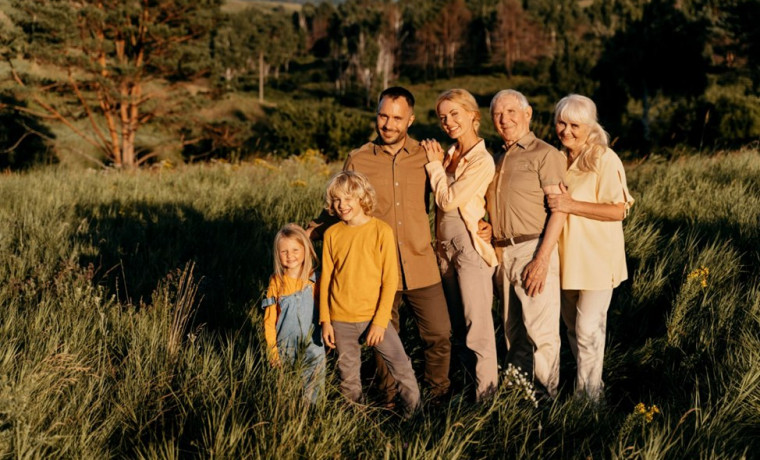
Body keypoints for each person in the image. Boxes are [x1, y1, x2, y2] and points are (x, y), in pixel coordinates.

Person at [307, 87, 451, 405]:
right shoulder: (359, 158)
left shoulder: (426, 155)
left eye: (397, 118)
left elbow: (449, 197)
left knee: (439, 333)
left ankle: (438, 396)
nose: (388, 124)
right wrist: (312, 231)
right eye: (383, 115)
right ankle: (388, 402)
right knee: (383, 339)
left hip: (420, 262)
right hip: (375, 270)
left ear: (410, 120)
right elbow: (340, 202)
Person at [547, 94, 634, 401]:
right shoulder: (555, 158)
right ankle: (589, 385)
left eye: (574, 125)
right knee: (572, 328)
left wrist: (571, 205)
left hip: (597, 259)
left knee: (587, 328)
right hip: (565, 258)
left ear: (590, 126)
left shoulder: (603, 158)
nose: (566, 131)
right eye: (561, 122)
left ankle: (590, 398)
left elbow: (619, 210)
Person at [484, 89, 567, 398]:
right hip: (502, 252)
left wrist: (542, 259)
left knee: (541, 332)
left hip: (533, 249)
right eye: (497, 114)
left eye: (510, 112)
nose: (504, 119)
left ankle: (547, 400)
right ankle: (520, 397)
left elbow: (559, 210)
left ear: (528, 114)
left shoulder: (545, 154)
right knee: (513, 332)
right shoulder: (497, 158)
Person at [319, 171, 421, 416]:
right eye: (336, 200)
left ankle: (414, 415)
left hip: (376, 318)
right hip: (341, 319)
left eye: (347, 199)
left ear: (362, 198)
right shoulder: (332, 234)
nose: (342, 205)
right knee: (348, 375)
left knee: (401, 366)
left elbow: (390, 280)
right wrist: (325, 320)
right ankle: (356, 419)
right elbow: (325, 280)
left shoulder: (381, 231)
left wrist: (379, 321)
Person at [420, 89, 498, 401]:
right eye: (442, 117)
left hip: (467, 246)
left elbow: (449, 199)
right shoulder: (451, 155)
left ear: (472, 115)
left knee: (477, 326)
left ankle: (487, 399)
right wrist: (440, 163)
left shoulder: (482, 160)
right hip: (443, 247)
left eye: (454, 114)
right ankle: (468, 391)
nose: (448, 122)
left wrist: (435, 166)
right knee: (458, 327)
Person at [261, 223, 326, 403]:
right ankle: (288, 416)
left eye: (296, 250)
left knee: (313, 392)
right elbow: (269, 320)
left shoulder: (316, 280)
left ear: (306, 250)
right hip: (285, 348)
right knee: (286, 392)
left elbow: (327, 311)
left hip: (314, 345)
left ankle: (310, 418)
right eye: (284, 252)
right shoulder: (276, 282)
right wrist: (272, 351)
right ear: (278, 254)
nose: (290, 256)